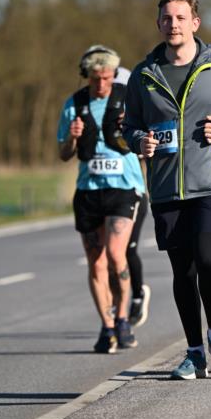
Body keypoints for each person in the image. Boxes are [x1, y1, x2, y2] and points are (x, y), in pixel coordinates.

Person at [123, 0, 211, 379]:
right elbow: (129, 126)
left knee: (208, 259)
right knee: (182, 272)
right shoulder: (144, 75)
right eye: (166, 18)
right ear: (159, 23)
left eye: (180, 17)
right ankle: (194, 352)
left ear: (195, 23)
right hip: (166, 188)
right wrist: (138, 141)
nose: (173, 24)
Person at [58, 46, 145, 353]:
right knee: (96, 265)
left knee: (115, 255)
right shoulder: (75, 104)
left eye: (107, 77)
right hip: (88, 191)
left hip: (124, 188)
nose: (102, 84)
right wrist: (73, 137)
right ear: (88, 77)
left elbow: (147, 138)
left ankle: (123, 319)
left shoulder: (129, 98)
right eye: (96, 79)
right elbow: (64, 154)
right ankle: (106, 326)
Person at [115, 64, 151, 327]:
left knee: (127, 249)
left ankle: (137, 294)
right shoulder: (96, 117)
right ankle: (115, 314)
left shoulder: (139, 120)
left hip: (134, 193)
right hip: (102, 194)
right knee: (107, 256)